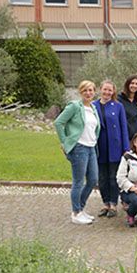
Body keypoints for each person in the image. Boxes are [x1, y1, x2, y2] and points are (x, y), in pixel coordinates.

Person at [55, 80, 100, 225]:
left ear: (94, 92)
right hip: (79, 148)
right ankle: (76, 213)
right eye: (85, 90)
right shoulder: (74, 106)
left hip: (91, 147)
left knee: (93, 179)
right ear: (80, 92)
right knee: (78, 182)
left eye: (91, 90)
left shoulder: (93, 108)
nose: (88, 93)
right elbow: (58, 122)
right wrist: (65, 142)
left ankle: (80, 208)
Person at [93, 80, 130, 218]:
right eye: (105, 89)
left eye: (110, 90)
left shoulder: (118, 106)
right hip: (100, 145)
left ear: (113, 91)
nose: (107, 92)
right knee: (102, 177)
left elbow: (124, 128)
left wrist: (126, 148)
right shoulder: (93, 105)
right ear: (100, 89)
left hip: (115, 146)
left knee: (113, 177)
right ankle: (105, 203)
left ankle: (113, 204)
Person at [118, 75, 137, 141]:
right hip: (124, 136)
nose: (134, 86)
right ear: (127, 84)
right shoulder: (119, 99)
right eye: (132, 83)